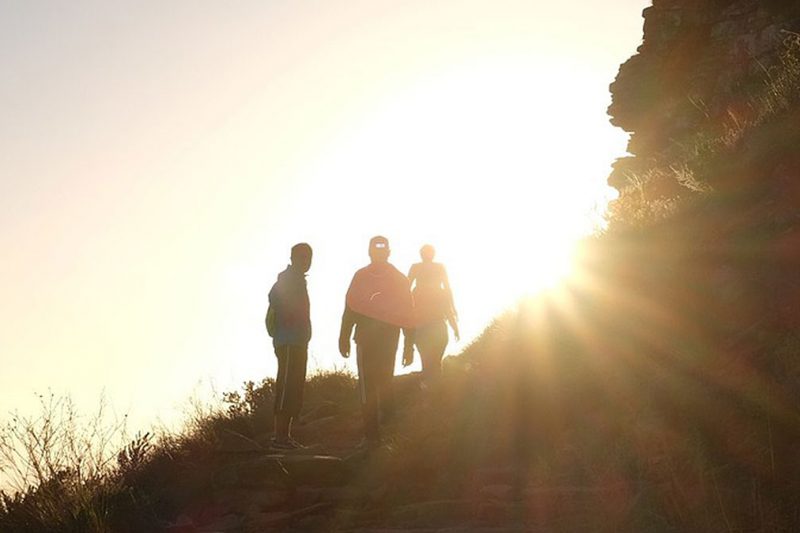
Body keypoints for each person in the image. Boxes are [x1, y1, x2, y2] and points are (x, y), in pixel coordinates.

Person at [339, 236, 415, 447]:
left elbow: (408, 313)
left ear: (388, 251)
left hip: (384, 338)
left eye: (382, 248)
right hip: (368, 338)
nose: (379, 252)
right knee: (371, 386)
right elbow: (350, 307)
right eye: (376, 248)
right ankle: (373, 435)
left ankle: (383, 434)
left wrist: (409, 346)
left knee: (381, 384)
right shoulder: (362, 276)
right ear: (371, 252)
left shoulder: (398, 279)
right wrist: (343, 336)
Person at [266, 242, 313, 450]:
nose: (306, 261)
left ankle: (285, 436)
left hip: (297, 340)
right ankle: (279, 438)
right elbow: (274, 299)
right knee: (286, 386)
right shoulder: (287, 280)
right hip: (287, 340)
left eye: (308, 258)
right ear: (293, 258)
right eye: (302, 257)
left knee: (294, 386)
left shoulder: (298, 281)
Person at [408, 244, 460, 383]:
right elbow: (448, 291)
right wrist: (454, 323)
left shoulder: (417, 276)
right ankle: (434, 388)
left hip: (425, 324)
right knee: (434, 360)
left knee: (429, 360)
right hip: (432, 324)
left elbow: (406, 289)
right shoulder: (437, 284)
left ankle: (431, 386)